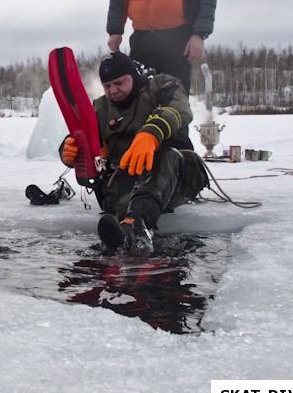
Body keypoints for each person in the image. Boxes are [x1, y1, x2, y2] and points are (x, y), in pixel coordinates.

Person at [61, 52, 208, 255]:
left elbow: (179, 109)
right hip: (129, 178)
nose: (113, 91)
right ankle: (126, 233)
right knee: (118, 189)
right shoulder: (101, 108)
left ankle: (137, 226)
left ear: (133, 75)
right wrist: (68, 150)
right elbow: (82, 137)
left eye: (119, 83)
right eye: (107, 86)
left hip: (178, 175)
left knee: (168, 157)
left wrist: (152, 133)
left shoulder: (161, 86)